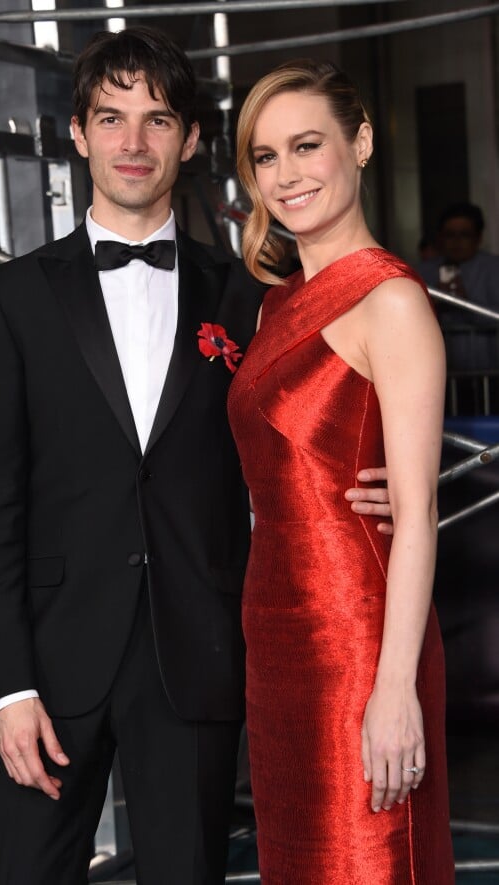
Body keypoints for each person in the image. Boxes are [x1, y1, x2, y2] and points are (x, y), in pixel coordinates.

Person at [0, 29, 392, 885]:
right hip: (49, 664)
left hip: (197, 652)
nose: (132, 143)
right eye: (110, 119)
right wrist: (6, 687)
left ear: (190, 141)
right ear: (77, 133)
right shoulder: (13, 295)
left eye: (157, 121)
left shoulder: (248, 297)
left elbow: (297, 435)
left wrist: (367, 489)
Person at [228, 60, 455, 883]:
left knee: (366, 858)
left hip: (361, 634)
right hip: (276, 631)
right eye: (264, 156)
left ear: (359, 144)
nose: (286, 175)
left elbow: (418, 512)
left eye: (307, 145)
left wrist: (395, 687)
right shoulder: (273, 303)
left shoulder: (391, 301)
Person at [418, 202, 499, 378]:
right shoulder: (424, 271)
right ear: (440, 238)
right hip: (439, 376)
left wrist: (464, 302)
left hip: (489, 373)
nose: (456, 241)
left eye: (464, 235)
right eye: (450, 235)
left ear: (478, 238)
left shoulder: (493, 268)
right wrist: (433, 303)